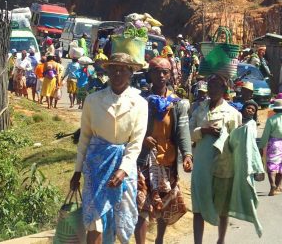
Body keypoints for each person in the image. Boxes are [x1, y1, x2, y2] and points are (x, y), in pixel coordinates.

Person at [69, 53, 148, 244]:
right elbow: (85, 138)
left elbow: (136, 143)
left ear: (131, 73)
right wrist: (77, 171)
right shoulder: (93, 100)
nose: (118, 73)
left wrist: (123, 170)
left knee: (121, 218)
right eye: (114, 68)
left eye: (123, 69)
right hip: (95, 166)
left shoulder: (140, 104)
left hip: (124, 167)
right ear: (108, 71)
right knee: (95, 218)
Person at [134, 57, 193, 244]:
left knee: (164, 205)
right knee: (142, 205)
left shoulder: (177, 104)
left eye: (164, 72)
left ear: (169, 75)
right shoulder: (141, 101)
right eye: (156, 71)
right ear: (149, 74)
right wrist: (143, 139)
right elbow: (132, 128)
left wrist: (187, 155)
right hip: (144, 160)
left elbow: (183, 130)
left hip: (167, 159)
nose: (160, 75)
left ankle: (159, 239)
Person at [189, 74, 241, 244]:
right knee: (198, 207)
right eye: (211, 85)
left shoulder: (233, 113)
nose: (213, 89)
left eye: (218, 86)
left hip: (223, 164)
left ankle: (221, 240)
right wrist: (203, 131)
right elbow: (188, 133)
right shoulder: (199, 109)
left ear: (224, 89)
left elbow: (237, 142)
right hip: (201, 166)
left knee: (222, 207)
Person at [227, 100, 264, 237]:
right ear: (243, 109)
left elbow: (251, 142)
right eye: (248, 108)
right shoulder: (237, 120)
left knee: (246, 184)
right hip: (234, 154)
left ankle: (247, 210)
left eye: (253, 110)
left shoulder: (251, 124)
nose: (250, 111)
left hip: (246, 157)